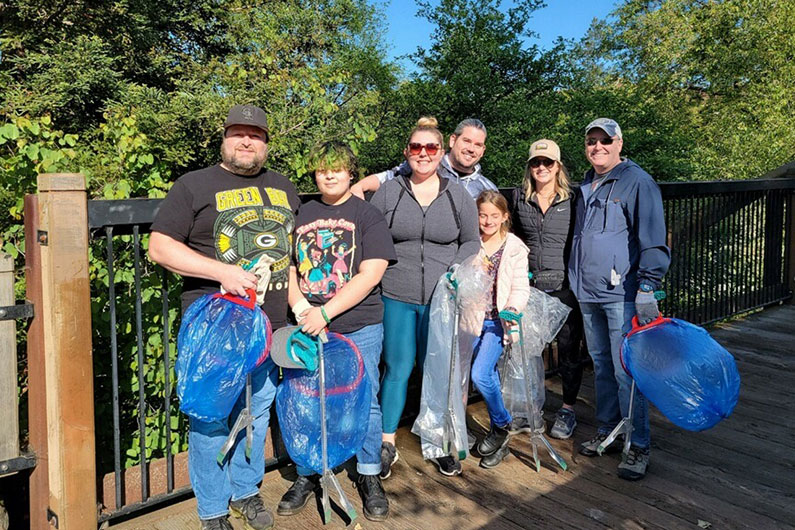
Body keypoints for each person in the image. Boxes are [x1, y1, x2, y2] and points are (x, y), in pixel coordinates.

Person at [149, 104, 300, 530]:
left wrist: (299, 303)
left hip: (268, 325)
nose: (247, 141)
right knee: (211, 418)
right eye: (238, 133)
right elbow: (160, 247)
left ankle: (247, 491)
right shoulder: (194, 185)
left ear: (267, 143)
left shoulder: (285, 188)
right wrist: (222, 272)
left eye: (256, 135)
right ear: (225, 138)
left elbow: (288, 258)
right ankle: (213, 510)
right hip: (214, 327)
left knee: (257, 410)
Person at [277, 142, 396, 521]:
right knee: (308, 400)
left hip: (358, 324)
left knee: (366, 399)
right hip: (307, 324)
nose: (329, 175)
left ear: (351, 172)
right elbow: (290, 267)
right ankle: (309, 472)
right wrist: (300, 308)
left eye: (338, 168)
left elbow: (371, 272)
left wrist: (324, 312)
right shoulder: (301, 213)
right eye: (322, 169)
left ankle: (369, 474)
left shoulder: (368, 215)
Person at [370, 116, 480, 478]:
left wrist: (454, 270)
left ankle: (438, 441)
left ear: (440, 152)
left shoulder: (457, 194)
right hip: (396, 293)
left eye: (430, 148)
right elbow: (371, 234)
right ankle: (387, 443)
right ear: (407, 152)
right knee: (398, 369)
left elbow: (471, 241)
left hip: (441, 298)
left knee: (437, 372)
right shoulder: (390, 191)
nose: (423, 154)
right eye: (416, 147)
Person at [569, 118, 670, 481]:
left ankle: (638, 444)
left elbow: (653, 237)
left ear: (619, 143)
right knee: (601, 366)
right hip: (587, 292)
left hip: (622, 294)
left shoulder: (637, 181)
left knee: (627, 370)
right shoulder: (584, 182)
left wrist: (648, 287)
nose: (598, 147)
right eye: (591, 141)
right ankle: (608, 430)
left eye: (605, 141)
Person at [511, 139, 585, 440]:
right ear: (529, 167)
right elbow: (511, 236)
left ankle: (567, 409)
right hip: (530, 285)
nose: (541, 168)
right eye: (535, 163)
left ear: (558, 166)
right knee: (528, 352)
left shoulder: (575, 198)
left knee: (568, 350)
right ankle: (531, 410)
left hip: (564, 286)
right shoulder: (518, 197)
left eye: (547, 163)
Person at [469, 191, 530, 468]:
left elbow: (520, 287)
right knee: (477, 375)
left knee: (481, 374)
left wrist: (514, 309)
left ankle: (502, 424)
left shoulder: (515, 247)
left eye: (494, 215)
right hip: (469, 319)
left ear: (505, 216)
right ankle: (496, 434)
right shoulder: (471, 243)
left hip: (498, 322)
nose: (488, 221)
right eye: (483, 215)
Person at [351, 118, 497, 200]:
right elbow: (386, 177)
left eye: (478, 145)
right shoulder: (427, 164)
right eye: (466, 141)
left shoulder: (488, 188)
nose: (471, 149)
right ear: (452, 140)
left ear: (483, 151)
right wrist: (359, 187)